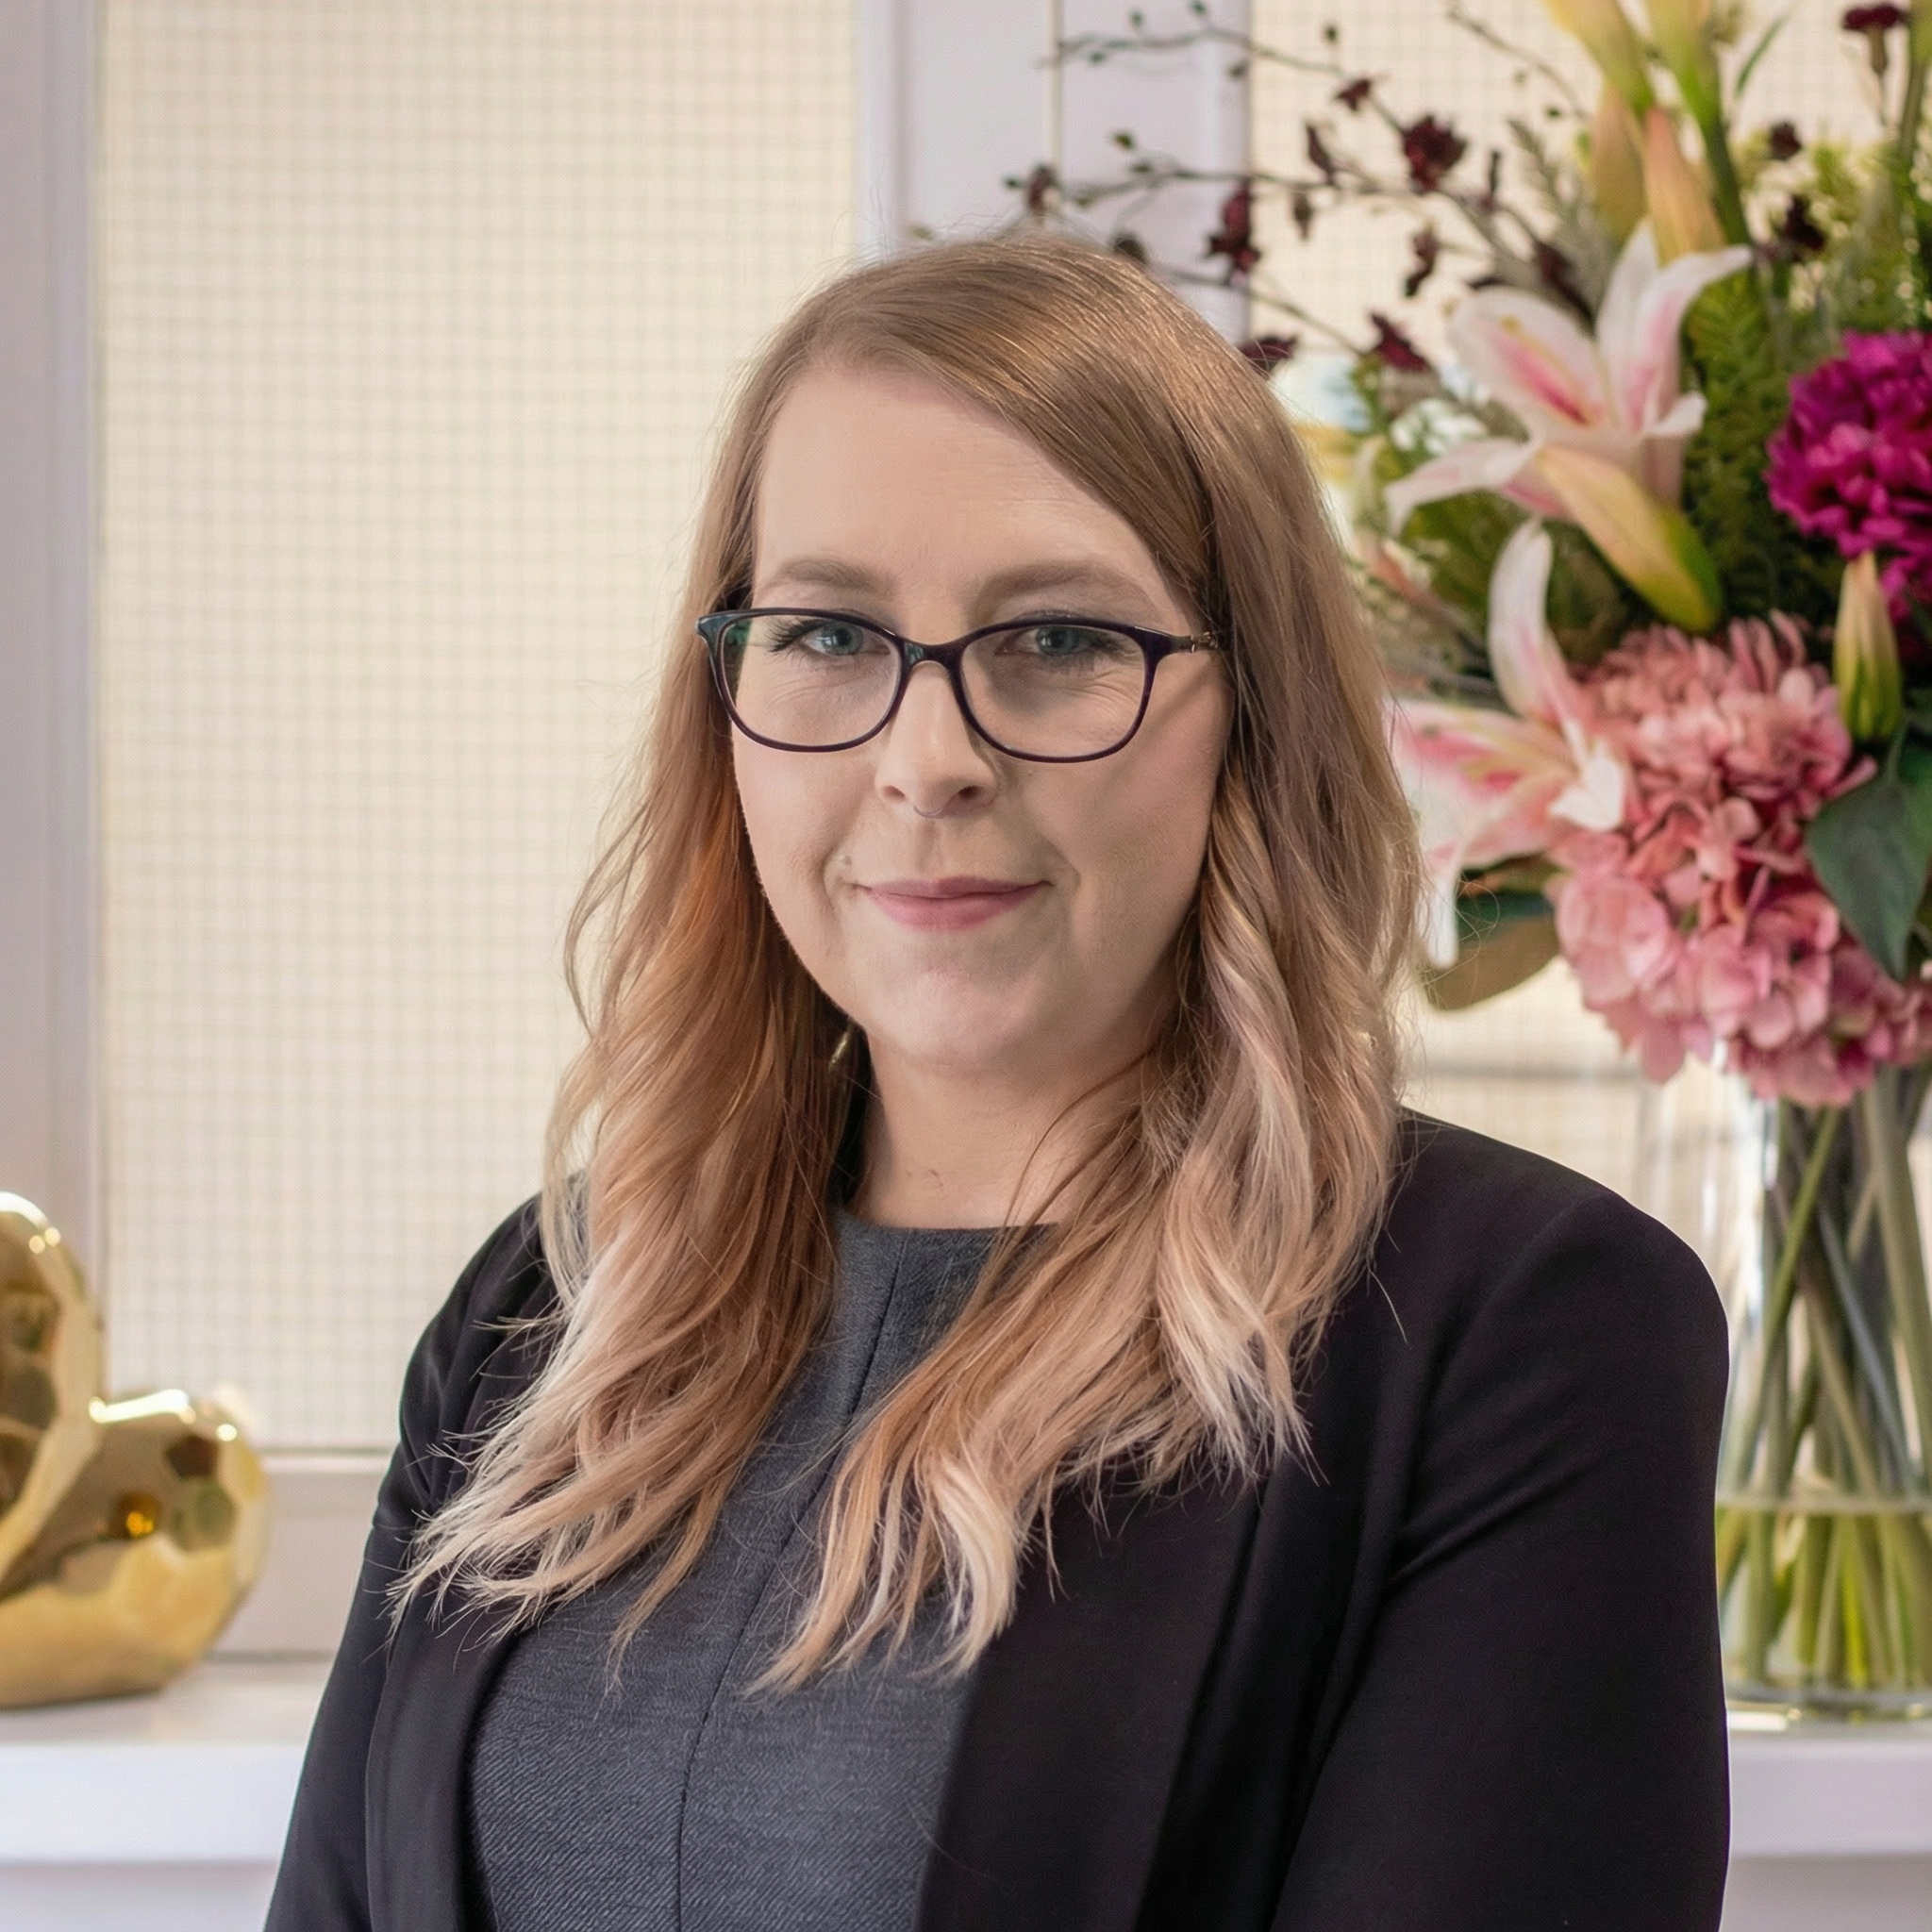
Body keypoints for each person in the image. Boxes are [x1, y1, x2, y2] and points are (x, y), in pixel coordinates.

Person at [266, 236, 1729, 1932]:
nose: (929, 761)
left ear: (1250, 716)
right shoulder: (547, 1307)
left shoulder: (1515, 1331)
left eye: (1056, 637)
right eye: (829, 632)